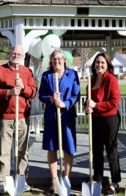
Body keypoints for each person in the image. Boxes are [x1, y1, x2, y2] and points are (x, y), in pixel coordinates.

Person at [0, 44, 37, 193]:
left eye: (18, 54)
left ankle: (21, 179)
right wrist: (8, 92)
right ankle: (2, 181)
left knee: (22, 151)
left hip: (22, 116)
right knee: (3, 151)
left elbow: (33, 92)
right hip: (5, 117)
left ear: (22, 56)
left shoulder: (27, 72)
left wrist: (23, 87)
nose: (15, 55)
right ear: (9, 53)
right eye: (13, 53)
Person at [38, 49, 80, 193]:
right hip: (51, 117)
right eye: (54, 59)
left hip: (67, 117)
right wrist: (50, 98)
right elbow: (41, 95)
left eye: (60, 59)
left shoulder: (72, 74)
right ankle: (54, 180)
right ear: (51, 60)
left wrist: (65, 103)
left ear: (64, 60)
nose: (57, 61)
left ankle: (66, 178)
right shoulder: (46, 75)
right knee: (52, 148)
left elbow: (76, 94)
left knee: (68, 148)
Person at [85, 52, 121, 196]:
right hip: (95, 119)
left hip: (110, 119)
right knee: (96, 150)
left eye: (102, 63)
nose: (99, 65)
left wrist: (96, 105)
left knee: (111, 150)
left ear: (107, 65)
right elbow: (88, 101)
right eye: (97, 62)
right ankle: (98, 179)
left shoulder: (111, 79)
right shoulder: (92, 80)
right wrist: (86, 107)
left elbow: (114, 102)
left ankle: (115, 182)